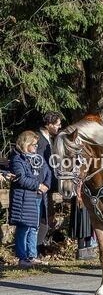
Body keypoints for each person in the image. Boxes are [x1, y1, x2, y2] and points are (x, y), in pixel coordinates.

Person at [8, 131, 52, 268]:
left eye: (36, 144)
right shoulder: (17, 159)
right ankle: (22, 258)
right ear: (26, 144)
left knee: (34, 227)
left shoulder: (37, 157)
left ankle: (32, 256)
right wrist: (37, 185)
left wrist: (46, 185)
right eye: (33, 144)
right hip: (24, 198)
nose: (35, 147)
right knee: (24, 227)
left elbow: (47, 171)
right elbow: (21, 178)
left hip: (38, 196)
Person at [34, 111, 61, 255]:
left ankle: (40, 247)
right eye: (57, 124)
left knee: (47, 217)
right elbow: (38, 163)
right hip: (41, 184)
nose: (59, 127)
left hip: (49, 183)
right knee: (41, 217)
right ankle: (35, 249)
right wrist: (40, 183)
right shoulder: (38, 139)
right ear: (48, 124)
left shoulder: (49, 138)